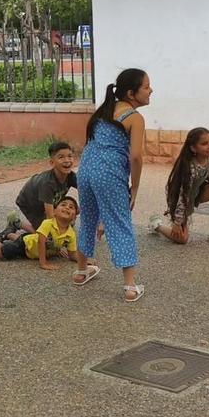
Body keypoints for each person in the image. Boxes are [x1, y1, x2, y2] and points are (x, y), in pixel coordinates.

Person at [74, 68, 151, 301]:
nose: (151, 91)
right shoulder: (135, 118)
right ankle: (129, 287)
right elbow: (135, 156)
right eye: (146, 87)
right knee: (120, 223)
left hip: (85, 170)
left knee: (87, 219)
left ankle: (80, 271)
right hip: (109, 174)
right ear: (131, 92)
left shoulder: (103, 112)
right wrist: (134, 187)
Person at [151, 127, 209, 244]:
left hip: (197, 192)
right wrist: (177, 222)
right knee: (182, 239)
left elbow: (207, 174)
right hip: (180, 199)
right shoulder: (189, 167)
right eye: (204, 143)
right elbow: (183, 196)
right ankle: (156, 225)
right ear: (193, 148)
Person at [0, 141, 77, 249]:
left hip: (47, 202)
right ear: (52, 162)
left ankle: (19, 225)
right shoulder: (47, 183)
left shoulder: (71, 176)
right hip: (30, 203)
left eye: (70, 156)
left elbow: (87, 191)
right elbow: (49, 217)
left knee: (67, 222)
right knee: (46, 239)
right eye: (61, 157)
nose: (67, 160)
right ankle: (16, 223)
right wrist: (58, 245)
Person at [21, 192, 83, 270]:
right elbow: (41, 242)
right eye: (63, 205)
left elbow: (72, 254)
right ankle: (2, 236)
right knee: (0, 253)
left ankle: (10, 232)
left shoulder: (71, 234)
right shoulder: (48, 223)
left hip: (33, 252)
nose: (67, 207)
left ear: (74, 217)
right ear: (54, 212)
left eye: (71, 207)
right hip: (25, 245)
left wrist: (83, 261)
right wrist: (43, 263)